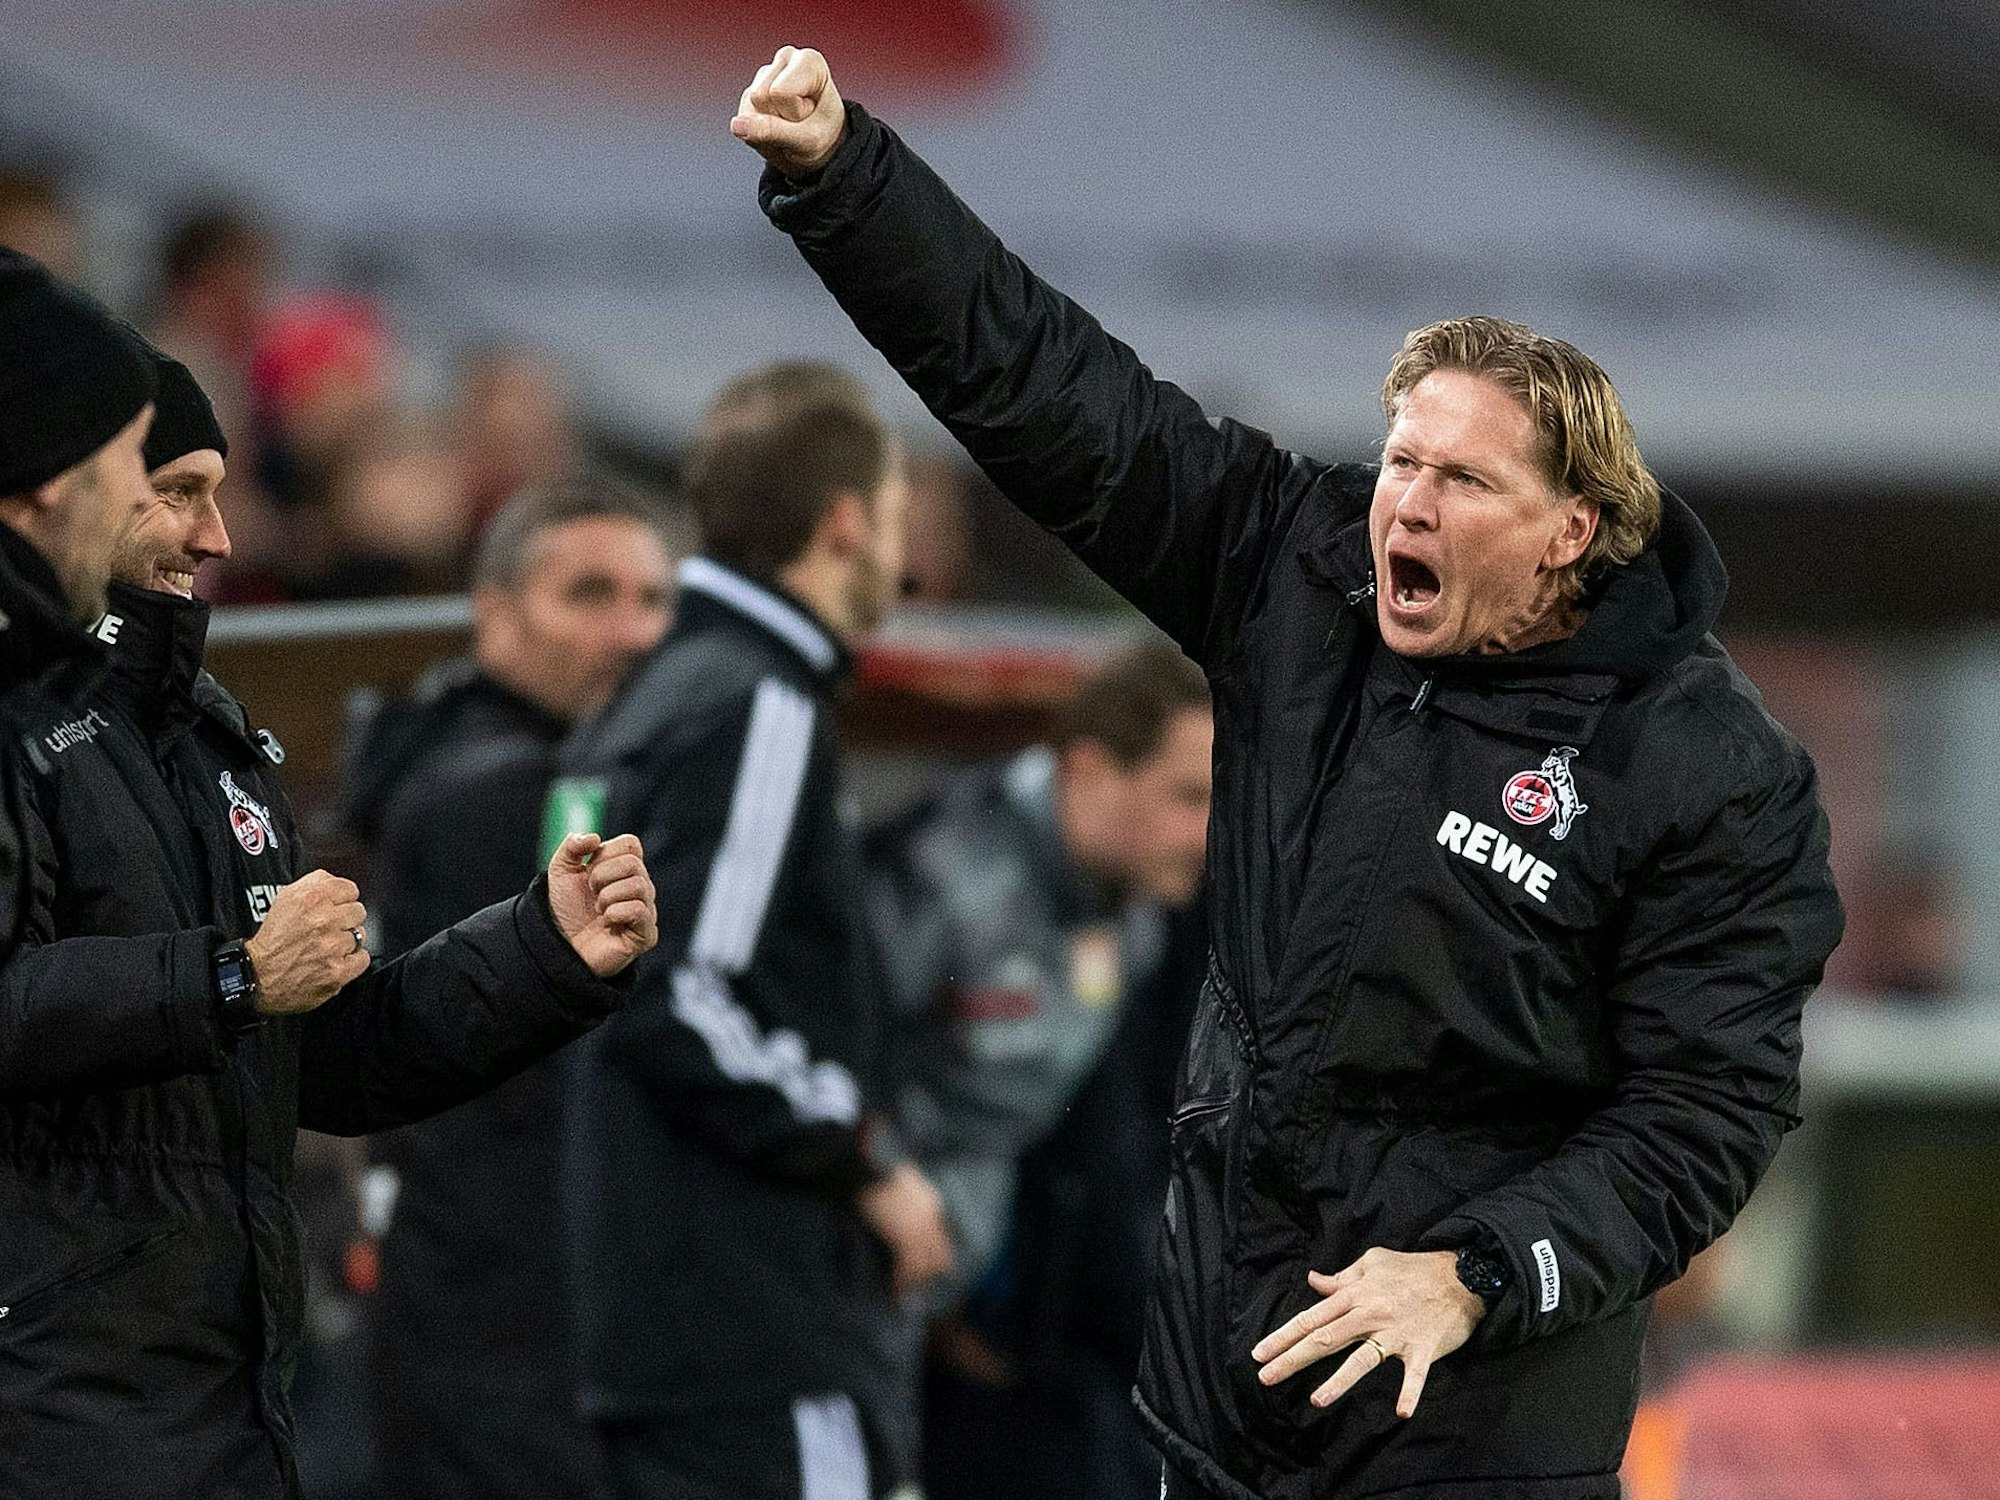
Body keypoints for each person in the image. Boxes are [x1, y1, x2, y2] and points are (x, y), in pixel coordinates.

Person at [731, 50, 1845, 1500]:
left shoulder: (1713, 773)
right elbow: (1048, 390)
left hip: (1474, 1437)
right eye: (1399, 461)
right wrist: (845, 178)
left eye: (1461, 481)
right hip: (1218, 1405)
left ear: (1571, 530)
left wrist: (1476, 1275)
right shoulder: (1296, 579)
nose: (1408, 501)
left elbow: (1709, 1114)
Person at [0, 333, 662, 1500]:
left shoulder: (213, 741)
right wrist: (228, 976)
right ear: (78, 489)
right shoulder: (16, 726)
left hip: (228, 1399)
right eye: (177, 495)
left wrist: (534, 950)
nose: (220, 537)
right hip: (50, 1401)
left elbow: (326, 1064)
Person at [559, 361, 954, 1500]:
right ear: (841, 522)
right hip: (753, 1319)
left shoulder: (640, 701)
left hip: (639, 1312)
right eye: (888, 518)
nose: (898, 549)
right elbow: (676, 989)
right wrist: (865, 1160)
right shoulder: (760, 699)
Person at [346, 476, 679, 1500]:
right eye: (589, 594)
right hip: (509, 1312)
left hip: (485, 1295)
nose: (632, 633)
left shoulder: (439, 754)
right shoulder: (511, 792)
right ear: (495, 612)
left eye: (655, 600)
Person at [864, 640, 1212, 1499]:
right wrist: (873, 1179)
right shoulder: (936, 871)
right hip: (837, 1282)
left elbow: (1093, 1138)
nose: (1212, 835)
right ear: (1091, 772)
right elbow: (819, 1047)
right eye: (1189, 797)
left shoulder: (1139, 918)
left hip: (967, 1312)